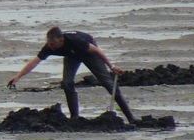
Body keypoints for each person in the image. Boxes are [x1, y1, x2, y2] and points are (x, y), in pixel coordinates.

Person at [7, 26, 136, 123]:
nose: (50, 47)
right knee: (67, 83)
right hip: (71, 56)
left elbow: (96, 50)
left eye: (52, 44)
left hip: (89, 53)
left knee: (107, 83)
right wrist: (18, 76)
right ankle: (75, 117)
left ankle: (131, 118)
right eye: (49, 44)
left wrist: (112, 67)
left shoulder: (76, 41)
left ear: (61, 41)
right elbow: (35, 62)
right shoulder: (49, 47)